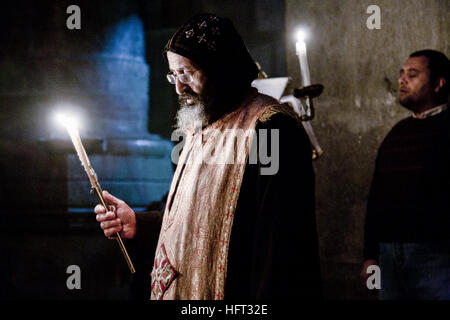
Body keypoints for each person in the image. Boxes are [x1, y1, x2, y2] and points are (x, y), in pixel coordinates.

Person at [95, 13, 322, 300]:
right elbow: (195, 220)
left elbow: (281, 246)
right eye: (174, 74)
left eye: (188, 73)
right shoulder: (194, 129)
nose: (179, 87)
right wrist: (140, 223)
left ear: (221, 70)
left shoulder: (270, 128)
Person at [361, 49, 450, 299]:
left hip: (436, 255)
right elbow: (376, 197)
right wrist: (370, 255)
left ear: (439, 83)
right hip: (388, 255)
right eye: (402, 73)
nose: (402, 80)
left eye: (413, 74)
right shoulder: (397, 133)